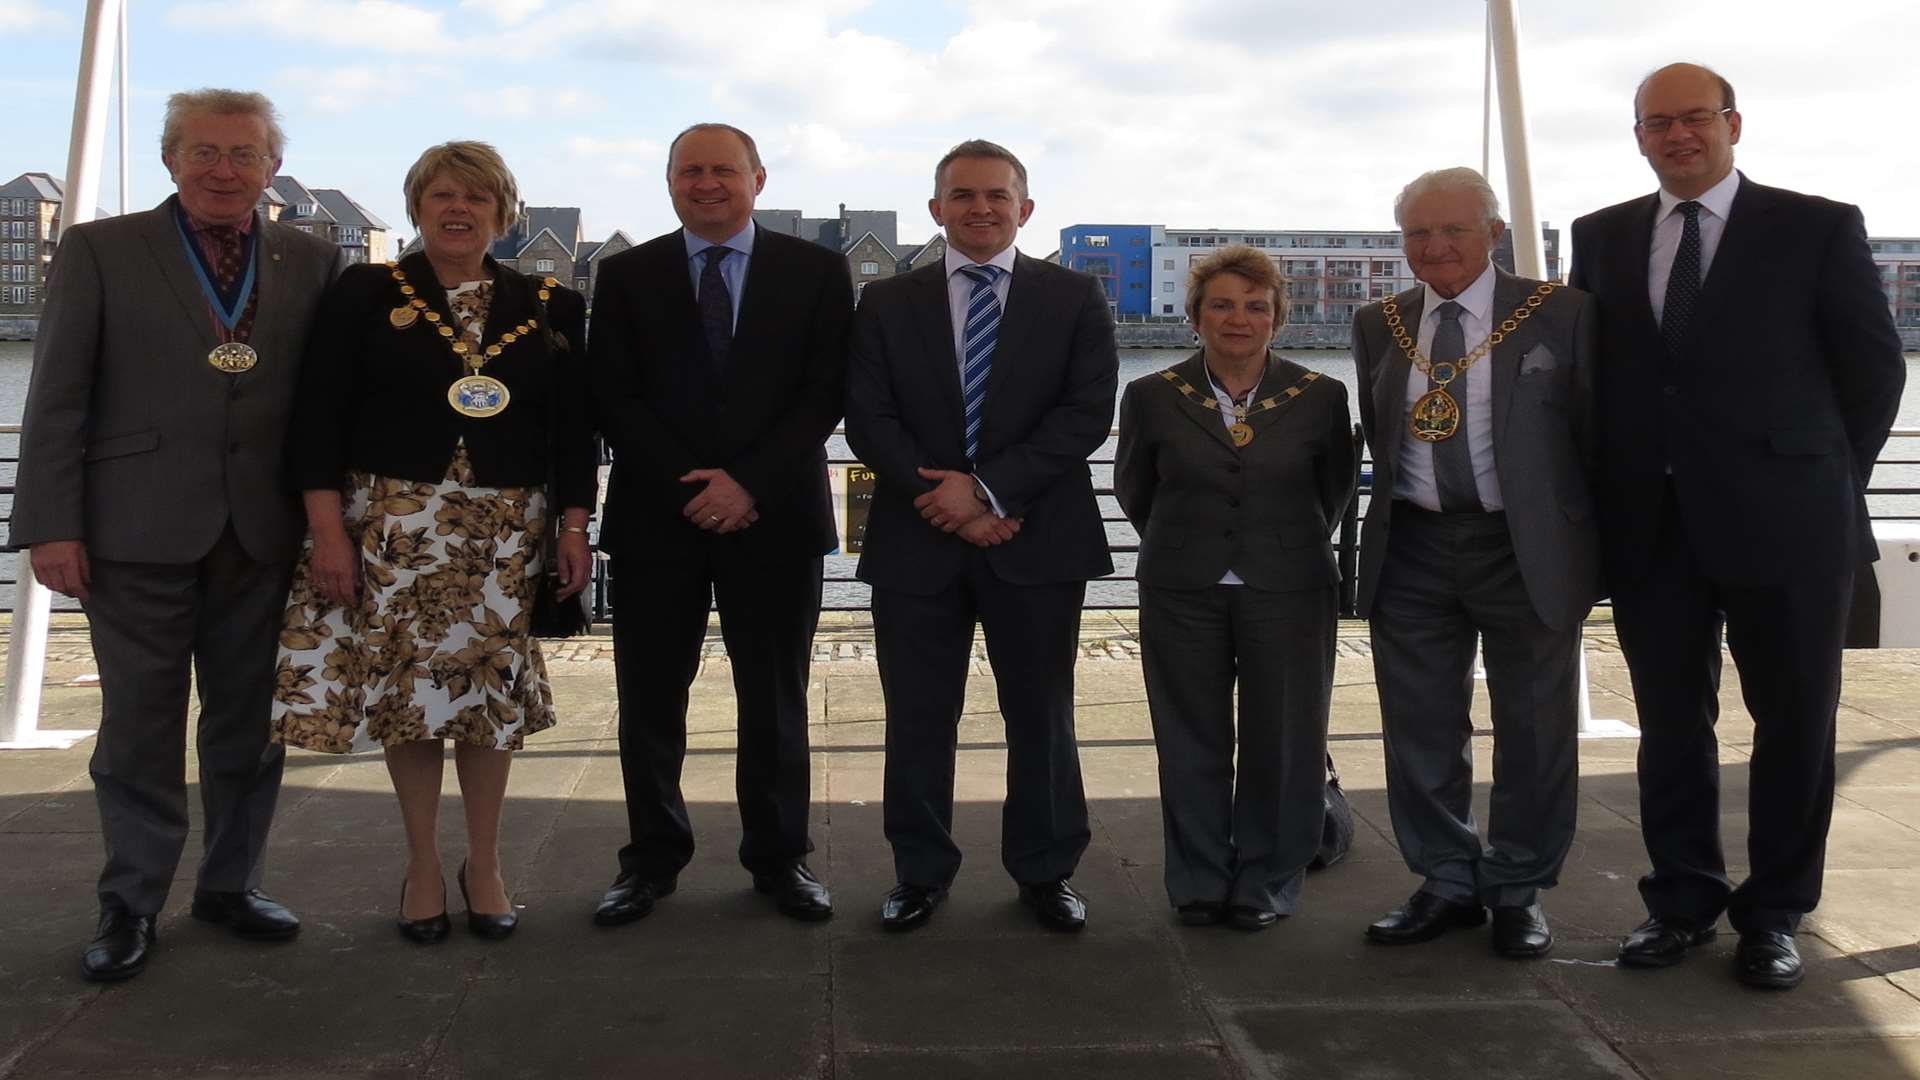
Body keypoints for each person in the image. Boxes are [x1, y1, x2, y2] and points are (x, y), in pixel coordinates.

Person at [1570, 63, 1904, 989]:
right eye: (1657, 123)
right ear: (1637, 136)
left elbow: (1873, 372)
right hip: (1651, 527)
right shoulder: (1601, 237)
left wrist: (1822, 480)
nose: (1678, 135)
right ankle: (1680, 901)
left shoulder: (1816, 226)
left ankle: (1776, 913)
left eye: (1695, 119)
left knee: (1795, 722)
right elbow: (1599, 379)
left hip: (1790, 526)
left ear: (1733, 124)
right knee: (1672, 724)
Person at [10, 89, 346, 981]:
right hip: (132, 530)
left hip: (263, 532)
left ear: (272, 168)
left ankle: (232, 885)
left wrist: (332, 523)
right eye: (204, 152)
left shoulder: (311, 259)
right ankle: (130, 903)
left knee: (249, 727)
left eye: (243, 154)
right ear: (170, 160)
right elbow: (57, 398)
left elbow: (330, 404)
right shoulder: (99, 249)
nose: (224, 171)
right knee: (138, 731)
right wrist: (49, 525)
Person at [274, 141, 594, 944]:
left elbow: (572, 431)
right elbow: (316, 414)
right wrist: (325, 534)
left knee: (487, 704)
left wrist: (575, 525)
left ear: (502, 211)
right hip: (390, 529)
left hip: (502, 535)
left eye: (477, 198)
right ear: (416, 206)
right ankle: (422, 863)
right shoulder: (365, 291)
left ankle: (482, 864)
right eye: (443, 196)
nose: (459, 210)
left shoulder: (548, 301)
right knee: (408, 703)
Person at [845, 139, 1118, 932]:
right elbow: (870, 417)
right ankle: (920, 873)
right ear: (937, 210)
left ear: (1025, 210)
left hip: (1036, 538)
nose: (980, 208)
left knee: (1042, 715)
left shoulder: (1075, 297)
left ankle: (1046, 871)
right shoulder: (886, 304)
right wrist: (948, 498)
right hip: (916, 539)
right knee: (918, 717)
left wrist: (991, 490)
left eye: (997, 196)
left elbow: (1085, 414)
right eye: (962, 195)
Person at [588, 123, 852, 925]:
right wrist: (693, 489)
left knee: (775, 701)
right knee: (649, 701)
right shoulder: (626, 274)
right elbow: (614, 396)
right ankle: (651, 860)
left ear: (758, 179)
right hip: (655, 523)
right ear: (669, 181)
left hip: (774, 520)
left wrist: (747, 483)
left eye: (722, 171)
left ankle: (781, 859)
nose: (706, 184)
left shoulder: (815, 270)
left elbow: (825, 391)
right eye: (689, 171)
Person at [1352, 167, 1600, 958]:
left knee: (1534, 727)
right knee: (1419, 726)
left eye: (1454, 229)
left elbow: (1599, 434)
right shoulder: (1379, 322)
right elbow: (1379, 429)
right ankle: (1447, 880)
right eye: (1418, 233)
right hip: (1415, 544)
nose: (1435, 246)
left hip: (1521, 547)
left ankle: (1519, 886)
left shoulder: (1560, 313)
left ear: (1493, 233)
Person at [1113, 245, 1355, 931]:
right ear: (1195, 316)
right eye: (1221, 304)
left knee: (1285, 738)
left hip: (1290, 585)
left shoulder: (1320, 396)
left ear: (1278, 316)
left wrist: (1271, 543)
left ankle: (1268, 882)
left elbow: (1331, 493)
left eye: (1255, 305)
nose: (1238, 318)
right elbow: (1135, 490)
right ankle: (1197, 880)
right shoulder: (1152, 396)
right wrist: (1199, 541)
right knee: (1190, 738)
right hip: (1181, 585)